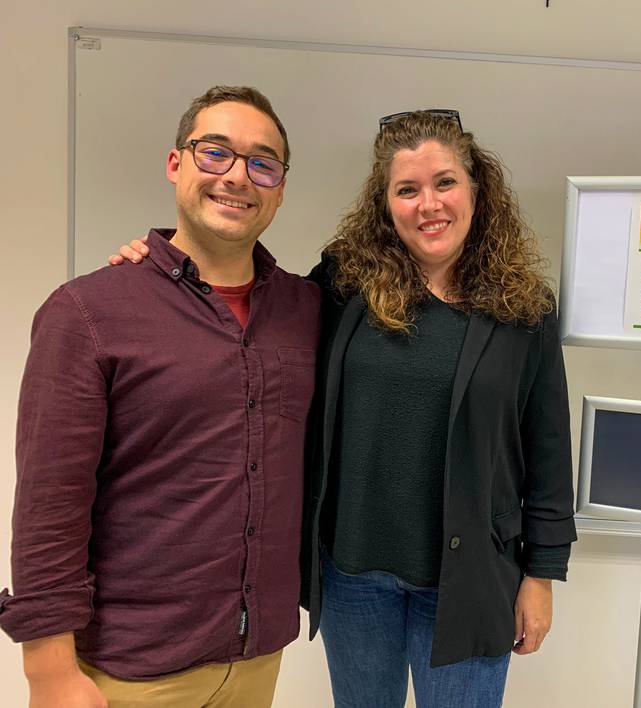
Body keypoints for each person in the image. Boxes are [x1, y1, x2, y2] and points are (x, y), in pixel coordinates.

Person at [113, 109, 576, 708]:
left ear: (476, 189)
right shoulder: (344, 283)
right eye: (406, 189)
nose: (427, 203)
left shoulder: (524, 309)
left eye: (444, 183)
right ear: (386, 204)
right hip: (355, 576)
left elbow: (548, 447)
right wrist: (157, 265)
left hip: (470, 579)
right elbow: (244, 289)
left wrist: (540, 575)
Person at [0, 86, 320, 708]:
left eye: (263, 163)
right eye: (215, 153)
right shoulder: (89, 312)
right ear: (176, 164)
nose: (237, 177)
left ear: (280, 187)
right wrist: (49, 673)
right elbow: (49, 506)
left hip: (260, 660)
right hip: (131, 671)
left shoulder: (306, 310)